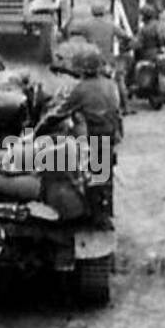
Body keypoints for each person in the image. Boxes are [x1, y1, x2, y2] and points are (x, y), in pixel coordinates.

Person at [37, 45, 122, 229]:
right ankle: (105, 214)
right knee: (105, 176)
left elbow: (60, 113)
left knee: (89, 176)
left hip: (94, 135)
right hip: (110, 132)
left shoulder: (81, 89)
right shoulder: (110, 84)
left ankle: (93, 217)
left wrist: (39, 130)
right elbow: (117, 110)